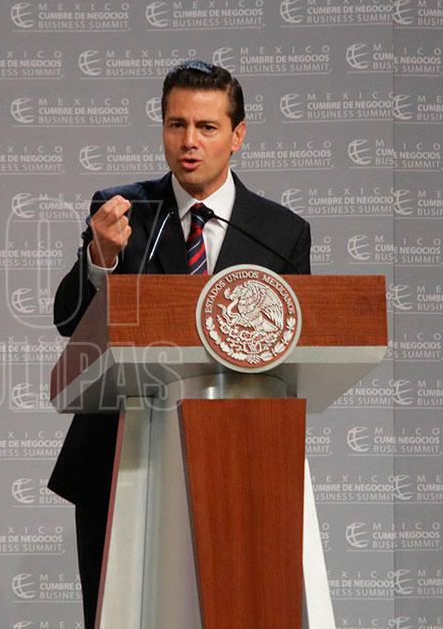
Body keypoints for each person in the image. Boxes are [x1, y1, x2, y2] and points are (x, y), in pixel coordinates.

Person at [48, 60, 312, 628]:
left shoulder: (281, 232)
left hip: (243, 460)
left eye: (207, 127)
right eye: (176, 125)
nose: (189, 141)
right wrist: (100, 257)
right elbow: (68, 320)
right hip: (121, 456)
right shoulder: (122, 211)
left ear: (238, 135)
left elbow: (298, 348)